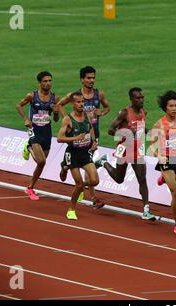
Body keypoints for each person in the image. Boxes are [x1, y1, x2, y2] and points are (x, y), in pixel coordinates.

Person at [95, 87, 156, 221]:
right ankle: (103, 162)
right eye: (138, 98)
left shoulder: (143, 112)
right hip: (124, 149)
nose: (141, 100)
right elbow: (111, 130)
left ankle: (146, 209)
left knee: (142, 179)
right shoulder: (124, 113)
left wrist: (149, 132)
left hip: (137, 150)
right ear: (131, 99)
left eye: (142, 97)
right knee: (119, 179)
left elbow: (141, 127)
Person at [56, 66, 111, 182]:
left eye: (93, 78)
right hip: (76, 133)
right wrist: (68, 119)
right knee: (80, 159)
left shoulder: (99, 94)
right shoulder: (75, 96)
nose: (91, 80)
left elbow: (108, 107)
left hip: (92, 133)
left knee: (88, 161)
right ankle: (66, 167)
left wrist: (101, 112)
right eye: (88, 78)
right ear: (82, 79)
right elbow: (59, 105)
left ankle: (87, 191)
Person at [148, 90, 176, 234]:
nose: (174, 108)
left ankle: (164, 179)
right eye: (171, 106)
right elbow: (151, 144)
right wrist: (158, 155)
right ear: (165, 107)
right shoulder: (159, 124)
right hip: (166, 160)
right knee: (175, 193)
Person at [57, 92, 104, 220]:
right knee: (79, 186)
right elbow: (59, 138)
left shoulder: (88, 116)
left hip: (85, 153)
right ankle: (71, 209)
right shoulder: (67, 119)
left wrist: (94, 142)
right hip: (73, 154)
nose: (81, 104)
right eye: (78, 102)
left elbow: (91, 129)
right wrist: (75, 137)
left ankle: (76, 182)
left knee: (95, 181)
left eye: (82, 101)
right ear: (72, 104)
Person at [16, 71, 60, 200]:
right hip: (33, 129)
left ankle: (30, 188)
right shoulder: (32, 96)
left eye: (50, 81)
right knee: (41, 160)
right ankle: (28, 147)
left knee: (41, 164)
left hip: (46, 131)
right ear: (39, 83)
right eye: (45, 81)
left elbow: (56, 119)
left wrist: (56, 113)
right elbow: (19, 105)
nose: (48, 83)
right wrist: (26, 118)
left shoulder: (55, 98)